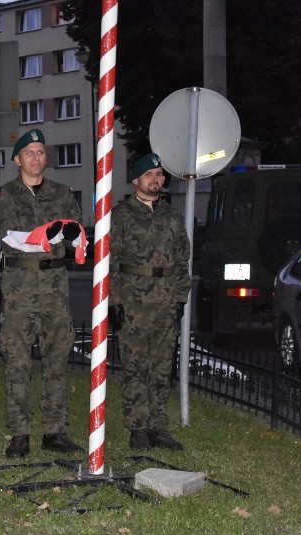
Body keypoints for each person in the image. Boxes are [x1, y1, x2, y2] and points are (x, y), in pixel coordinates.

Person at [0, 128, 85, 459]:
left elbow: (76, 235)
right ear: (17, 159)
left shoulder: (63, 193)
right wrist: (54, 233)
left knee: (57, 361)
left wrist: (64, 235)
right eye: (29, 152)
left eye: (41, 152)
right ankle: (19, 434)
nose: (36, 157)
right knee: (17, 363)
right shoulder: (5, 196)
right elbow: (14, 236)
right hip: (19, 287)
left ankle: (55, 432)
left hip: (55, 287)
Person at [108, 153, 191, 451]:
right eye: (149, 175)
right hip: (134, 302)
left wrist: (181, 296)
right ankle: (138, 428)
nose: (156, 179)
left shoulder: (171, 217)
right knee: (135, 366)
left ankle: (159, 426)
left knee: (161, 367)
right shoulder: (121, 217)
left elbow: (183, 258)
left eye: (159, 174)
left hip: (166, 302)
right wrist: (114, 301)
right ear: (136, 180)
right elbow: (110, 261)